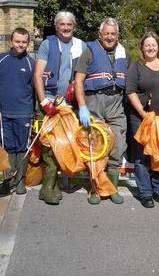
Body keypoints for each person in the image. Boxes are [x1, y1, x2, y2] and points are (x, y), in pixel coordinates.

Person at [74, 18, 130, 205]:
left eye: (113, 34)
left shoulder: (125, 53)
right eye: (106, 33)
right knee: (95, 148)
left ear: (117, 35)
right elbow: (79, 81)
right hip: (94, 102)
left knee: (117, 146)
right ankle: (95, 189)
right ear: (100, 34)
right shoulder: (89, 51)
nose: (110, 37)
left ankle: (112, 189)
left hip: (116, 104)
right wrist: (82, 107)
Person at [34, 11, 86, 205]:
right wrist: (43, 102)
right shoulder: (47, 44)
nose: (66, 28)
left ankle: (57, 183)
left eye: (69, 25)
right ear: (56, 26)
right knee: (49, 147)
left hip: (68, 105)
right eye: (62, 24)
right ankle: (48, 188)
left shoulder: (80, 46)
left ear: (74, 26)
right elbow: (38, 75)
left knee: (65, 146)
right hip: (49, 101)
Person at [127, 31, 159, 208]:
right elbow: (130, 91)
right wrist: (143, 113)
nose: (151, 47)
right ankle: (145, 192)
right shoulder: (136, 68)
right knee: (142, 156)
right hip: (141, 118)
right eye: (147, 45)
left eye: (154, 44)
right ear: (142, 49)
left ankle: (158, 189)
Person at [0, 28, 35, 195]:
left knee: (22, 148)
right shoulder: (2, 60)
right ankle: (8, 181)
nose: (20, 45)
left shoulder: (31, 63)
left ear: (28, 43)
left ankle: (20, 182)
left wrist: (35, 111)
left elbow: (36, 89)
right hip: (4, 114)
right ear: (11, 42)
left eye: (24, 42)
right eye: (17, 41)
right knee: (8, 147)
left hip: (24, 113)